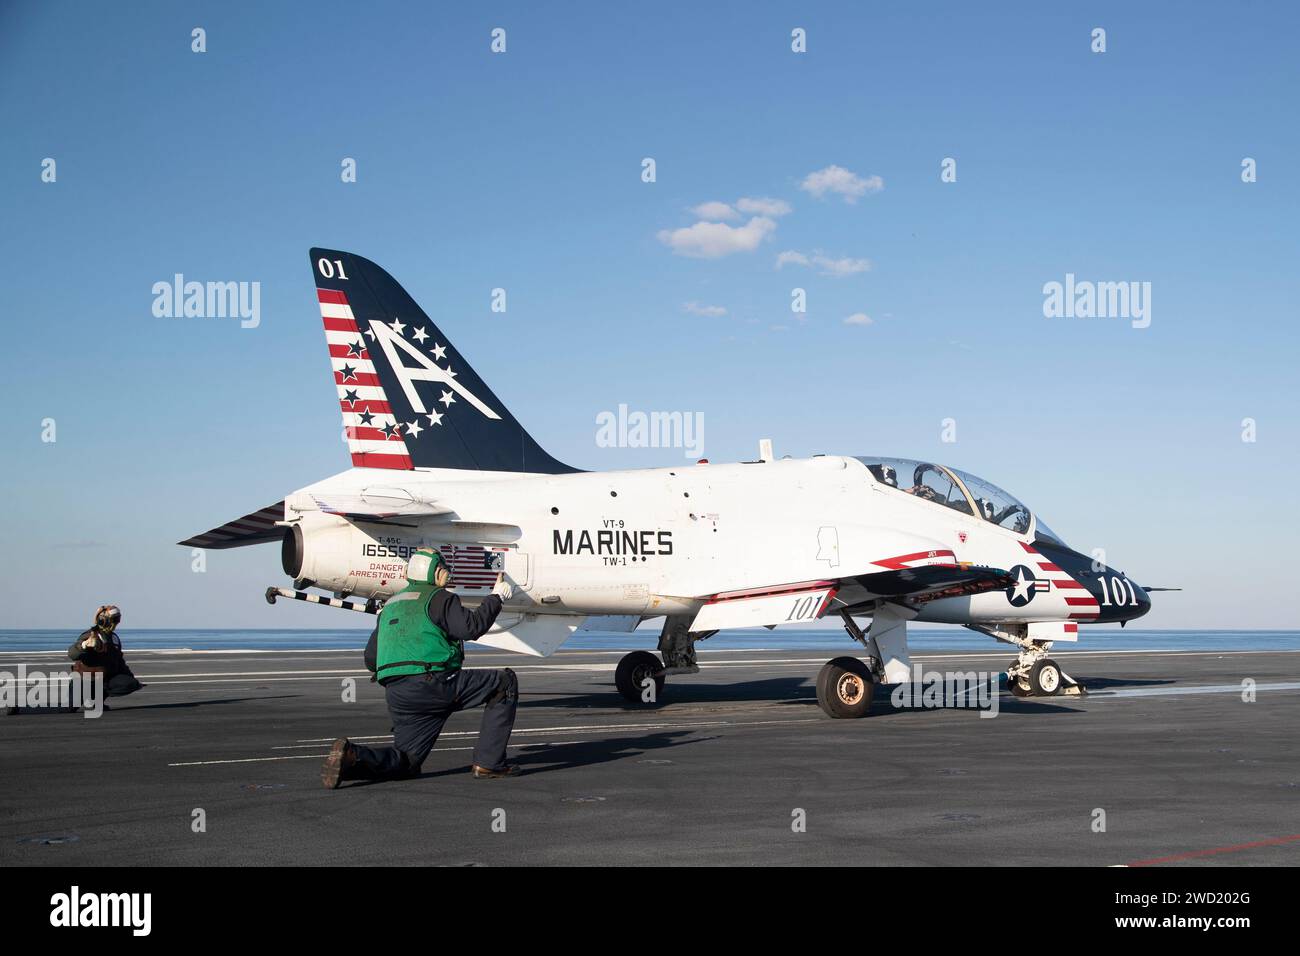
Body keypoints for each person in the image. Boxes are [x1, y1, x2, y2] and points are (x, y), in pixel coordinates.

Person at [321, 548, 519, 788]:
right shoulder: (440, 598)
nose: (447, 573)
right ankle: (490, 763)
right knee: (503, 683)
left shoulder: (390, 606)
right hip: (434, 684)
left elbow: (371, 659)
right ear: (435, 572)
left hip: (398, 695)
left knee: (407, 762)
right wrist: (496, 597)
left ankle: (353, 757)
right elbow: (471, 628)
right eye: (443, 568)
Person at [67, 605, 144, 700]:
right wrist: (84, 645)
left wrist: (131, 679)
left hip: (102, 680)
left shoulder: (114, 639)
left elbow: (119, 661)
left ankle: (97, 699)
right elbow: (72, 653)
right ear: (103, 620)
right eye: (114, 619)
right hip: (84, 681)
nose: (116, 623)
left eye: (117, 619)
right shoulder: (91, 635)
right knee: (66, 708)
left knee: (130, 683)